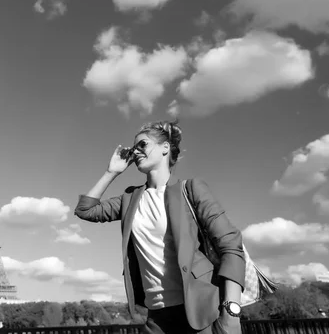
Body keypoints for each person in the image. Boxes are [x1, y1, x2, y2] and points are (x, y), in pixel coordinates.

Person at [75, 120, 245, 334]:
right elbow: (85, 210)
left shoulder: (191, 189)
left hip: (201, 311)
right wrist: (112, 172)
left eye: (143, 145)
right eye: (134, 148)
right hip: (157, 318)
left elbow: (231, 245)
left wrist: (231, 314)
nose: (136, 151)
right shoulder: (129, 199)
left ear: (165, 147)